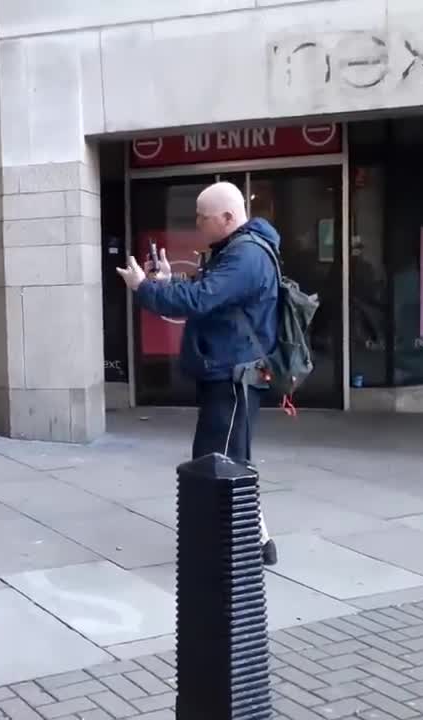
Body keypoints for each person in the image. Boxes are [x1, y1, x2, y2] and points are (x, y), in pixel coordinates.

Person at [116, 182, 279, 566]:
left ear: (227, 218)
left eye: (202, 218)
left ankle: (229, 551)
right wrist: (168, 282)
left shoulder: (245, 256)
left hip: (234, 375)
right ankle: (256, 543)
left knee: (220, 463)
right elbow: (209, 294)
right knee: (226, 459)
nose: (197, 224)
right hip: (227, 372)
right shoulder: (235, 251)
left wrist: (144, 288)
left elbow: (200, 299)